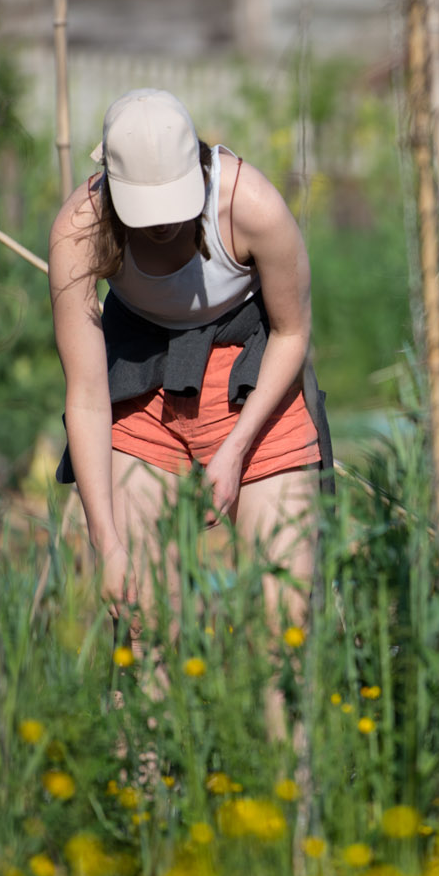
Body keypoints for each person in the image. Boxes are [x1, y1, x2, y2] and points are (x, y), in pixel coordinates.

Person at [48, 88, 328, 692]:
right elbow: (88, 396)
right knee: (142, 617)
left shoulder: (251, 205)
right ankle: (144, 780)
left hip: (255, 379)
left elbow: (291, 332)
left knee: (287, 620)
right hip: (141, 378)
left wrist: (232, 455)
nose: (164, 224)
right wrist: (107, 542)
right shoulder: (79, 230)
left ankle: (289, 778)